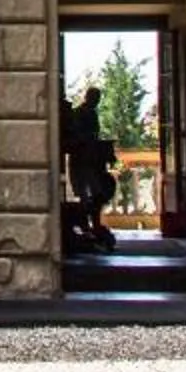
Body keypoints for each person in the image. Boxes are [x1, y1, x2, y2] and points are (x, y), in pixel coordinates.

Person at [63, 86, 120, 253]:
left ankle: (92, 226)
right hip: (83, 162)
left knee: (94, 196)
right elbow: (79, 137)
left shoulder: (87, 113)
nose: (97, 101)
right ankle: (88, 227)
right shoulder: (79, 114)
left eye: (98, 98)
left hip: (90, 162)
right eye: (96, 98)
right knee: (88, 196)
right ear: (88, 97)